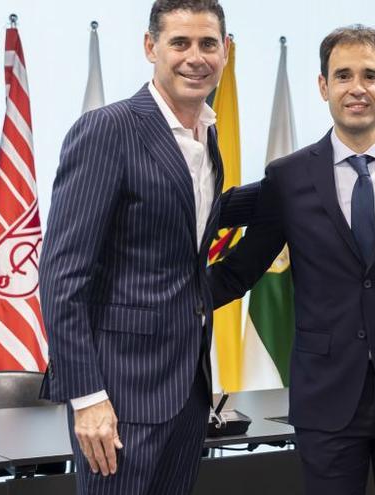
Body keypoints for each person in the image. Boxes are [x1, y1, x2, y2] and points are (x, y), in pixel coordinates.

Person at [208, 25, 375, 495]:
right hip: (326, 398)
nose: (356, 88)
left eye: (369, 75)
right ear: (323, 86)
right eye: (342, 76)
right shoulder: (288, 178)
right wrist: (162, 303)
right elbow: (239, 271)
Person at [39, 1, 255, 493]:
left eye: (208, 44)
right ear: (150, 46)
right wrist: (88, 397)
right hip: (119, 398)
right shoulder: (108, 130)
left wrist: (295, 183)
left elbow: (194, 219)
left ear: (226, 51)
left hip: (187, 393)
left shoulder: (205, 133)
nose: (195, 57)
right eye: (180, 43)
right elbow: (60, 277)